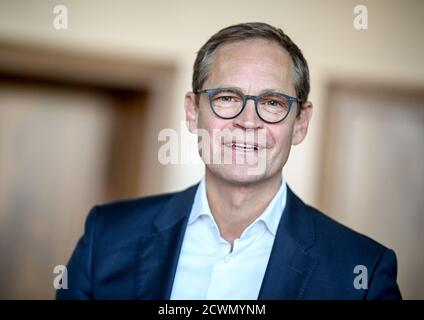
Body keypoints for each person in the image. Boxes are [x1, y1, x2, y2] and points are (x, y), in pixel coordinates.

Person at [57, 22, 401, 300]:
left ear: (300, 123)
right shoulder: (106, 237)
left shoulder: (362, 272)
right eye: (226, 97)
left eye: (272, 103)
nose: (247, 121)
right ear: (193, 112)